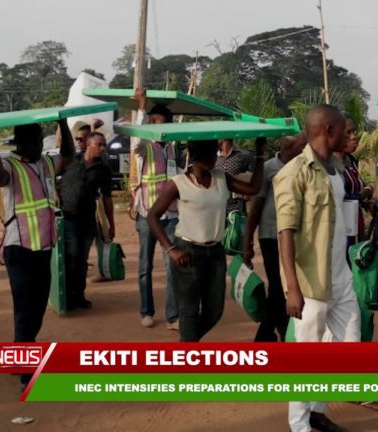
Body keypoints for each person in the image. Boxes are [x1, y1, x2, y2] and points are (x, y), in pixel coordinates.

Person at [276, 105, 360, 432]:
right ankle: (300, 426)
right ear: (328, 130)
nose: (348, 134)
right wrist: (292, 288)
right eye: (343, 129)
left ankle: (316, 411)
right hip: (311, 282)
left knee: (347, 349)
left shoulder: (335, 167)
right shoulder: (293, 173)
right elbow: (286, 231)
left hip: (341, 275)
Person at [0, 117, 74, 389]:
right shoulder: (9, 164)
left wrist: (63, 123)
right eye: (30, 142)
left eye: (38, 141)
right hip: (18, 247)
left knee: (37, 308)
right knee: (24, 310)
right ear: (21, 143)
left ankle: (18, 354)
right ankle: (25, 371)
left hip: (42, 246)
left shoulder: (44, 162)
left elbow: (68, 155)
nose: (35, 146)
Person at [148, 138, 265, 342]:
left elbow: (253, 189)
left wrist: (260, 154)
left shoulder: (221, 178)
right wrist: (171, 249)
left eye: (215, 152)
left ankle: (186, 346)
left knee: (214, 311)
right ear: (195, 156)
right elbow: (152, 216)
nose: (215, 156)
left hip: (215, 253)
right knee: (189, 311)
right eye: (210, 153)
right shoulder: (178, 183)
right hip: (187, 252)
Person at [243, 133, 308, 342]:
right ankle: (271, 333)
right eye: (303, 144)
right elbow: (256, 207)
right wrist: (247, 242)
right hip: (271, 235)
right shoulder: (269, 168)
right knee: (279, 287)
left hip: (296, 236)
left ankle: (272, 333)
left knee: (283, 288)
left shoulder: (304, 167)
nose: (306, 148)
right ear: (289, 146)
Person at [130, 88, 182, 330]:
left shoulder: (172, 147)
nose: (155, 126)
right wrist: (142, 107)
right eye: (152, 122)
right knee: (145, 266)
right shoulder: (143, 148)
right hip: (146, 215)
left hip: (170, 215)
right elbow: (136, 140)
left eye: (160, 122)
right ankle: (146, 311)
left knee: (172, 266)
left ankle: (173, 316)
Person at [59, 132, 114, 310]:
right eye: (99, 144)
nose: (103, 148)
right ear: (88, 145)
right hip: (67, 217)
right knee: (71, 256)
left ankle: (78, 295)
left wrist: (111, 224)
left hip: (87, 219)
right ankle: (66, 295)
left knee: (81, 259)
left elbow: (107, 198)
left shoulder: (103, 170)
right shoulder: (70, 162)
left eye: (104, 144)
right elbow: (50, 178)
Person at [334, 118, 373, 252]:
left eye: (354, 131)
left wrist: (367, 200)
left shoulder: (351, 160)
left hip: (356, 224)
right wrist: (362, 194)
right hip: (340, 230)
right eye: (348, 132)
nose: (354, 136)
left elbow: (362, 186)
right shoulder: (328, 165)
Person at [215, 138, 256, 216]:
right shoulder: (213, 158)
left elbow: (253, 174)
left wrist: (247, 193)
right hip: (217, 205)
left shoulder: (242, 155)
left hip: (236, 205)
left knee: (237, 226)